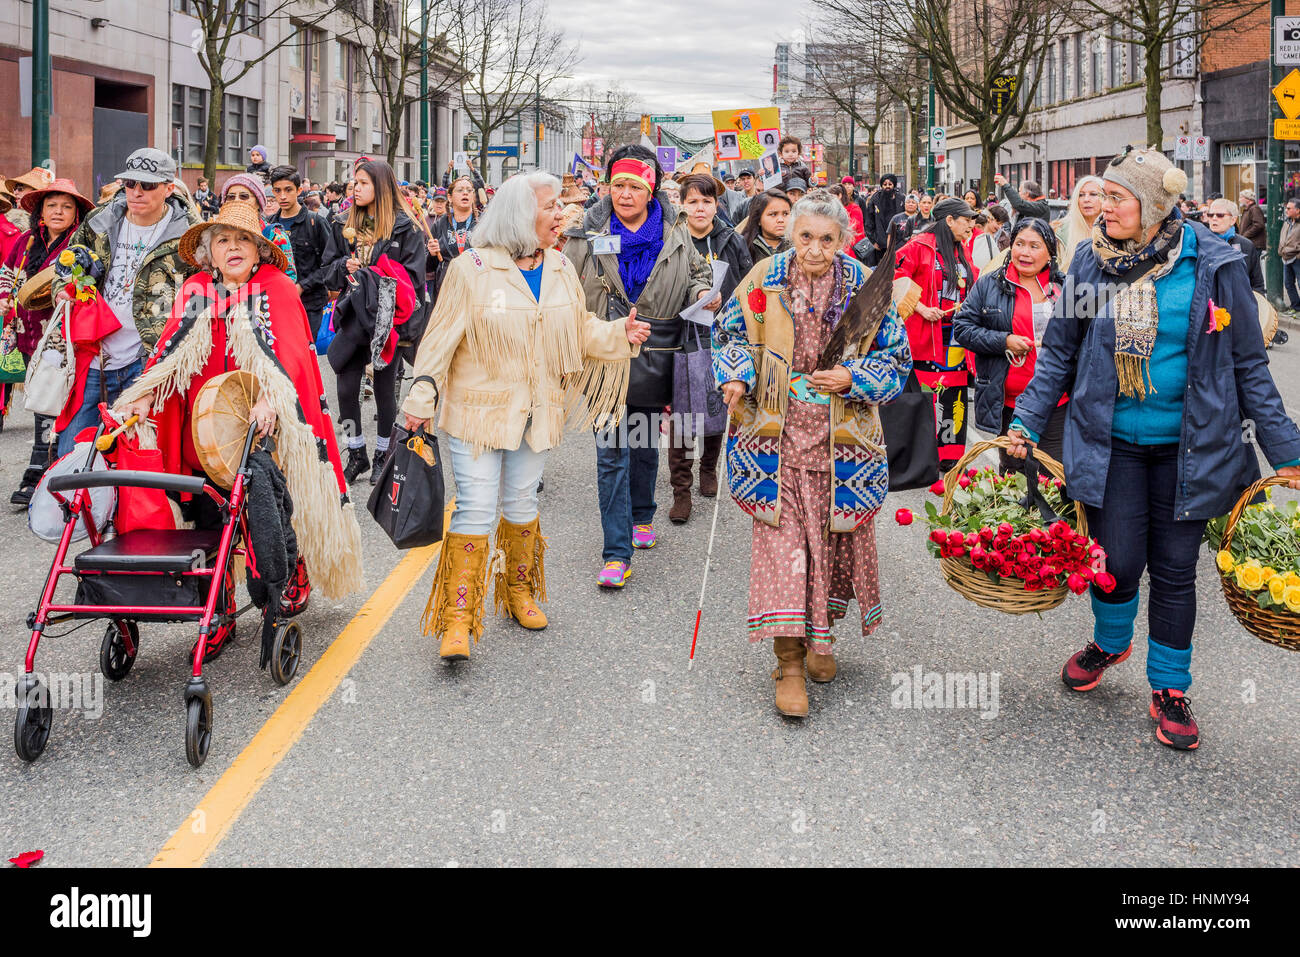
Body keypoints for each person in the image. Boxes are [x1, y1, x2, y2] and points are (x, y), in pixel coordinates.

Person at [1006, 146, 1300, 751]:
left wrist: (1288, 453)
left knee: (1172, 570)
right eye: (1104, 196)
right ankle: (1111, 643)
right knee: (1115, 563)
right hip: (1109, 443)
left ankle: (1170, 686)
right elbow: (1059, 351)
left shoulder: (1214, 267)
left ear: (1157, 205)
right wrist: (1026, 425)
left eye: (1116, 198)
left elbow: (1249, 365)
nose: (1101, 208)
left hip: (1191, 448)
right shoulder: (1089, 265)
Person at [402, 171, 649, 663]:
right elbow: (439, 339)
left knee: (520, 503)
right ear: (520, 213)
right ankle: (458, 616)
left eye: (562, 205)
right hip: (478, 413)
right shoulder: (470, 268)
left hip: (536, 411)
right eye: (552, 206)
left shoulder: (559, 265)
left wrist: (619, 333)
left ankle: (518, 593)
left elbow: (577, 329)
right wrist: (420, 398)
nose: (562, 214)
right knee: (474, 508)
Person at [115, 202, 363, 657]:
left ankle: (289, 569)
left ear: (258, 250)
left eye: (242, 240)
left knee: (268, 501)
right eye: (223, 240)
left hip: (265, 420)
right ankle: (220, 608)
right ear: (208, 251)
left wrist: (271, 398)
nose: (232, 247)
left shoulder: (278, 288)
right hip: (204, 423)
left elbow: (288, 356)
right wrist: (146, 393)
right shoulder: (194, 289)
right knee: (209, 512)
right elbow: (171, 353)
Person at [712, 194, 912, 718]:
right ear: (790, 234)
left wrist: (853, 376)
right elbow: (729, 332)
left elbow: (897, 359)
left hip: (842, 442)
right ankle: (790, 662)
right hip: (772, 442)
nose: (815, 248)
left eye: (827, 239)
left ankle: (821, 639)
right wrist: (735, 373)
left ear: (842, 239)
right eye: (805, 237)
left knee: (830, 547)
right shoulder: (763, 276)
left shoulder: (868, 285)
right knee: (785, 550)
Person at [563, 145, 714, 587]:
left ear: (651, 190)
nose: (624, 194)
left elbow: (698, 277)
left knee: (645, 441)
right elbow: (566, 289)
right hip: (604, 358)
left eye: (635, 186)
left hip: (656, 355)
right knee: (611, 454)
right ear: (607, 187)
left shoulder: (676, 232)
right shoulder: (584, 236)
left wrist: (703, 298)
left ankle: (643, 514)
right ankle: (616, 553)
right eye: (617, 185)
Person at [57, 148, 199, 458]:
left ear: (169, 188)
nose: (136, 192)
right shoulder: (99, 219)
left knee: (134, 458)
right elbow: (65, 264)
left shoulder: (191, 235)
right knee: (73, 454)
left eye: (147, 185)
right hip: (94, 355)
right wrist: (62, 288)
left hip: (147, 361)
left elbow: (201, 299)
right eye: (130, 182)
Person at [326, 158, 429, 484]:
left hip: (387, 319)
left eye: (364, 183)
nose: (356, 188)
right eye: (354, 182)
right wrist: (346, 266)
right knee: (345, 389)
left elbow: (414, 280)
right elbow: (327, 270)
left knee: (385, 390)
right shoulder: (342, 222)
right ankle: (356, 451)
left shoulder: (406, 227)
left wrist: (376, 273)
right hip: (353, 317)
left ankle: (384, 451)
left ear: (381, 186)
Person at [0, 178, 94, 502]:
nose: (58, 212)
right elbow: (7, 274)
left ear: (76, 214)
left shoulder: (79, 249)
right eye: (52, 205)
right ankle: (44, 474)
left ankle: (40, 475)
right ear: (40, 211)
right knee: (42, 407)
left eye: (66, 207)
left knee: (52, 409)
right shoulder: (26, 242)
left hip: (61, 343)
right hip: (28, 341)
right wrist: (4, 297)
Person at [670, 173, 753, 524]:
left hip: (721, 335)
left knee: (718, 404)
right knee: (681, 414)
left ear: (716, 206)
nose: (700, 208)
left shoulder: (730, 239)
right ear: (682, 205)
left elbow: (749, 284)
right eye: (693, 201)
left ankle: (709, 467)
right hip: (681, 334)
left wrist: (728, 305)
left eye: (706, 201)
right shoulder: (672, 239)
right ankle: (681, 488)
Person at [954, 217, 1067, 470]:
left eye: (1034, 246)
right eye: (1019, 244)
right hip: (1008, 403)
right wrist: (1004, 341)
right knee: (1015, 479)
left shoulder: (1064, 287)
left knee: (1056, 477)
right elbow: (962, 327)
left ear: (1050, 252)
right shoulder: (989, 284)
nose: (1025, 252)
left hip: (1057, 402)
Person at [894, 197, 977, 471]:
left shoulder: (959, 250)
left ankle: (951, 454)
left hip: (956, 336)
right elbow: (895, 280)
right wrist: (919, 308)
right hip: (925, 335)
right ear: (949, 220)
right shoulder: (918, 246)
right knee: (929, 395)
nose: (971, 226)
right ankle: (924, 454)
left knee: (954, 395)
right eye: (966, 220)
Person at [268, 165, 338, 339]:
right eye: (277, 191)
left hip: (310, 305)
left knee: (306, 356)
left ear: (299, 190)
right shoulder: (269, 226)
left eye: (288, 190)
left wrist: (302, 286)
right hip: (275, 305)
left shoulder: (316, 222)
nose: (282, 196)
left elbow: (331, 264)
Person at [220, 173, 297, 282]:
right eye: (231, 197)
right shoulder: (216, 235)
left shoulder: (275, 235)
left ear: (258, 202)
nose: (236, 201)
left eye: (244, 196)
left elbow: (289, 278)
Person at [428, 173, 479, 298]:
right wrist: (431, 253)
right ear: (450, 198)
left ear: (473, 196)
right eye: (460, 190)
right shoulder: (440, 225)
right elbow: (429, 267)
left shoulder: (483, 223)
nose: (465, 193)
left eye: (469, 190)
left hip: (475, 288)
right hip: (447, 289)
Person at [1205, 197, 1264, 293]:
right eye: (1210, 215)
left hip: (1239, 303)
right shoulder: (1200, 243)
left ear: (1233, 220)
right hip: (1209, 303)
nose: (1214, 218)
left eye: (1220, 215)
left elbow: (1257, 283)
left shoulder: (1246, 245)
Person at [1053, 175, 1104, 272]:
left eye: (1093, 194)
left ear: (1104, 198)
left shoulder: (1115, 229)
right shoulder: (1060, 231)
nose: (1086, 199)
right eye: (1081, 195)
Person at [740, 189, 792, 264]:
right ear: (758, 219)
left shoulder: (797, 246)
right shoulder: (743, 247)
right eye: (773, 214)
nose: (781, 220)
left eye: (785, 214)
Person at [864, 173, 902, 267]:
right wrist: (873, 240)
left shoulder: (901, 198)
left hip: (898, 242)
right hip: (880, 243)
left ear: (894, 185)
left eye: (890, 184)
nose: (887, 187)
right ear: (881, 185)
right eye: (885, 184)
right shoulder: (875, 199)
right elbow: (869, 221)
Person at [1279, 197, 1300, 312]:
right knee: (1288, 283)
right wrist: (1281, 250)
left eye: (1289, 208)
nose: (1286, 210)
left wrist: (1296, 251)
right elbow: (1284, 237)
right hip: (1286, 257)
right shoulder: (1287, 222)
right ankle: (1296, 306)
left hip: (1297, 257)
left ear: (1297, 210)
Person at [970, 206, 1004, 271]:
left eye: (1001, 224)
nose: (1000, 227)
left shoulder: (989, 239)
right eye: (998, 223)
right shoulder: (963, 240)